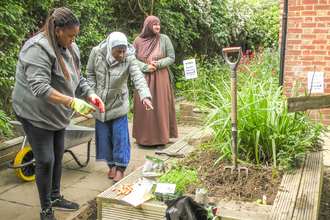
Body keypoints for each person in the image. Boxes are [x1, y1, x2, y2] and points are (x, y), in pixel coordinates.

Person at [11, 7, 104, 220]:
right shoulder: (36, 49)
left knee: (57, 154)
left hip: (56, 112)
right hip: (34, 112)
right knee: (45, 160)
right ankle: (46, 209)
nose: (73, 40)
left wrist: (90, 94)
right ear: (57, 30)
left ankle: (54, 196)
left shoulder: (71, 47)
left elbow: (78, 79)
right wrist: (72, 101)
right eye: (70, 36)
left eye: (75, 36)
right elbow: (40, 88)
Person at [86, 31, 153, 183]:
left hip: (118, 104)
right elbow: (89, 74)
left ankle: (120, 169)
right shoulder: (96, 53)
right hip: (100, 105)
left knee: (120, 138)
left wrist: (145, 96)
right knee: (104, 138)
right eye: (118, 52)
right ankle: (111, 165)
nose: (122, 55)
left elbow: (137, 76)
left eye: (123, 51)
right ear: (110, 48)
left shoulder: (129, 57)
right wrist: (92, 93)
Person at [132, 15, 178, 146]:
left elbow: (171, 57)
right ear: (147, 25)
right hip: (143, 79)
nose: (158, 26)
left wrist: (157, 64)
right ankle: (144, 138)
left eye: (159, 24)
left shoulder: (164, 39)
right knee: (144, 109)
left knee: (160, 107)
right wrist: (146, 67)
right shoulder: (137, 41)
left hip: (161, 78)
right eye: (155, 24)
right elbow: (132, 59)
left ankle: (161, 138)